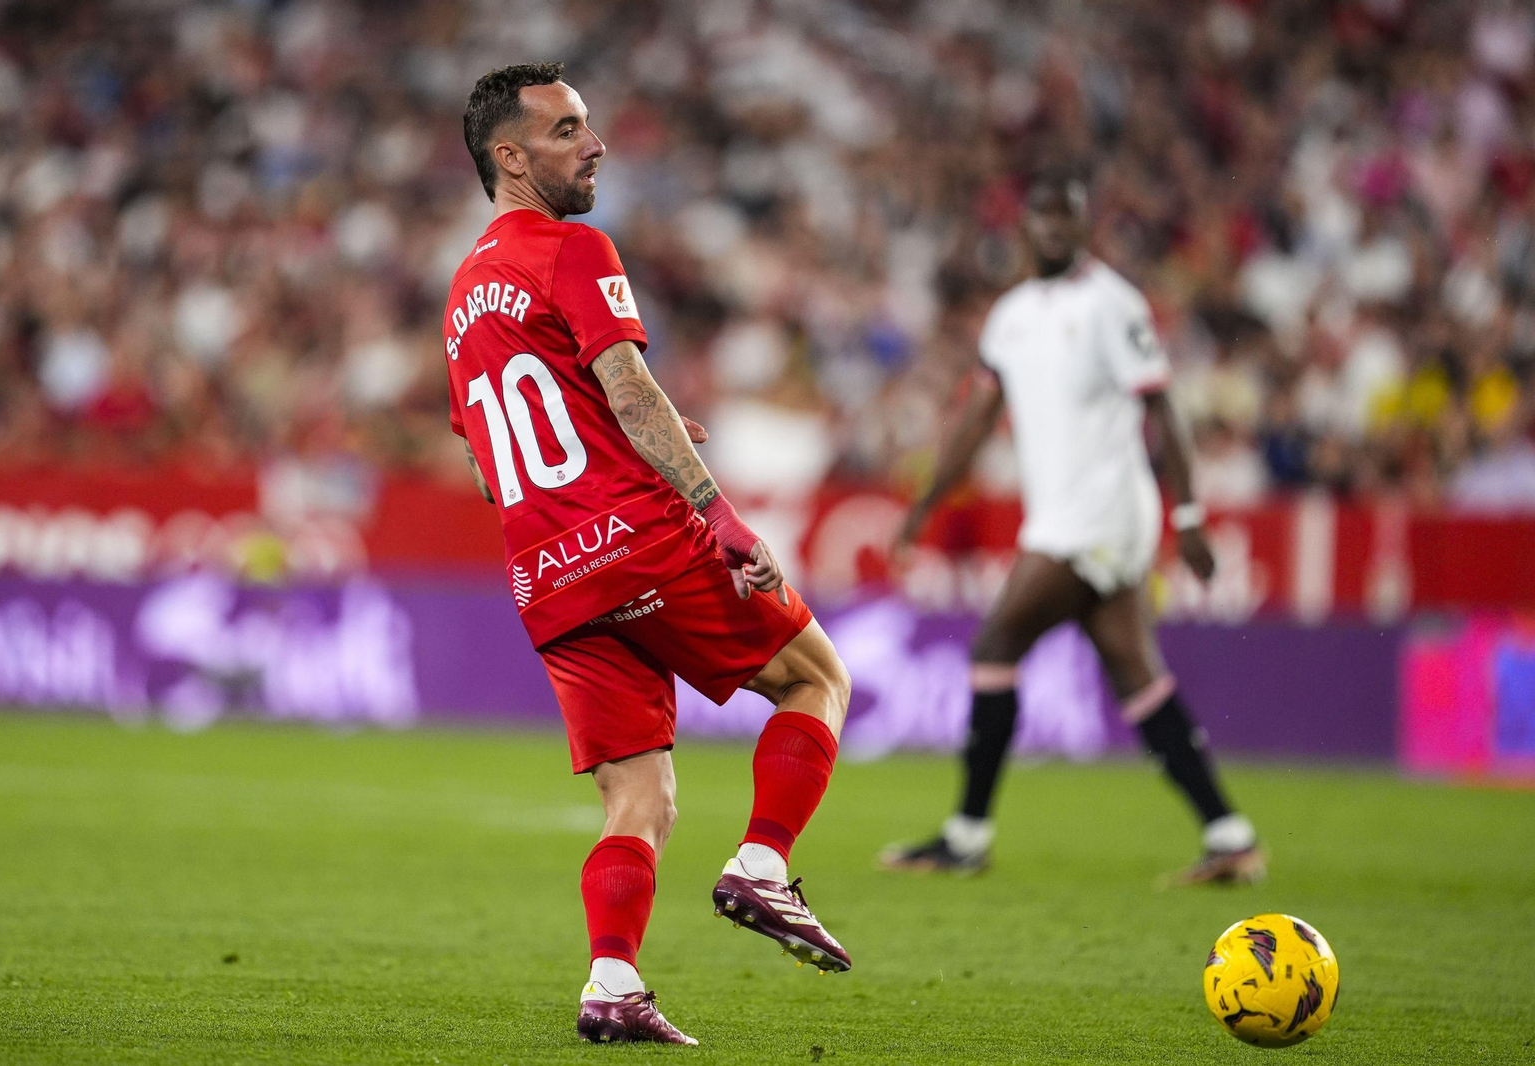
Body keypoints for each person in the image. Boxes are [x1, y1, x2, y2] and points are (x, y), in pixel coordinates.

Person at [445, 63, 853, 1046]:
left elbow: (485, 453)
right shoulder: (571, 247)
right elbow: (627, 389)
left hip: (545, 573)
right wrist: (716, 514)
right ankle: (761, 865)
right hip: (639, 541)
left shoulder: (462, 293)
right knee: (816, 680)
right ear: (510, 156)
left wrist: (607, 454)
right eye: (567, 129)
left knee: (640, 793)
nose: (594, 143)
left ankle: (611, 983)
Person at [880, 169, 1265, 886]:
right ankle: (1230, 834)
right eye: (1043, 216)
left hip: (1104, 512)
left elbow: (1163, 409)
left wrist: (1188, 516)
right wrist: (927, 502)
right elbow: (977, 417)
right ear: (1026, 226)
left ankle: (967, 835)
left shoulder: (1113, 305)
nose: (1054, 229)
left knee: (997, 643)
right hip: (1062, 513)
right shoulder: (1013, 313)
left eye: (1068, 217)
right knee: (1135, 673)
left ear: (1086, 226)